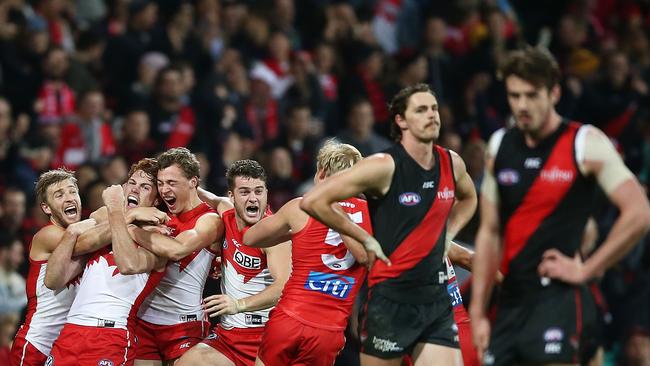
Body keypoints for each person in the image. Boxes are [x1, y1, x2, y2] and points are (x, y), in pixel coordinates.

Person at [468, 47, 650, 366]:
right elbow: (489, 232)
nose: (522, 105)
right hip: (511, 302)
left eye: (531, 95)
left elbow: (640, 213)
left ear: (554, 93)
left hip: (559, 299)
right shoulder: (499, 144)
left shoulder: (585, 143)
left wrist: (587, 269)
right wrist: (478, 310)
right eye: (514, 96)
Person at [301, 83, 478, 365]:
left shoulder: (451, 162)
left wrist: (448, 234)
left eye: (434, 108)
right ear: (401, 120)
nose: (432, 115)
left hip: (435, 302)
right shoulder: (382, 166)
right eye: (421, 110)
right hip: (391, 302)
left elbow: (469, 199)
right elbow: (314, 201)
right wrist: (365, 238)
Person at [242, 140, 375, 366]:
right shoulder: (373, 214)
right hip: (328, 330)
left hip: (289, 318)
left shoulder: (300, 207)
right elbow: (367, 257)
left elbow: (250, 238)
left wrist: (295, 231)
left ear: (321, 173)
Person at [44, 158, 169, 365]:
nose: (135, 190)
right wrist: (74, 230)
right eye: (132, 183)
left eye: (145, 187)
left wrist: (115, 210)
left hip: (110, 335)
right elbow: (53, 279)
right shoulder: (106, 224)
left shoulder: (158, 237)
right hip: (69, 333)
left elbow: (127, 264)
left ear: (156, 201)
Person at [176, 159, 291, 366]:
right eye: (245, 192)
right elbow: (205, 195)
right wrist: (180, 182)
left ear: (266, 193)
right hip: (228, 337)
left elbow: (283, 287)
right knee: (187, 363)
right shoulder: (226, 212)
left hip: (265, 336)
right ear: (232, 196)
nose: (253, 198)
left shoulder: (273, 234)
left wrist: (239, 305)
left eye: (259, 191)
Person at [127, 148, 224, 365]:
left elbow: (176, 250)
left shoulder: (209, 220)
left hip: (183, 324)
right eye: (160, 183)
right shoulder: (158, 213)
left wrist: (130, 227)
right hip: (144, 321)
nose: (164, 190)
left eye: (172, 182)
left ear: (193, 182)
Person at [9, 169, 95, 366]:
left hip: (64, 349)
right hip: (35, 345)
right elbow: (89, 241)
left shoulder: (79, 231)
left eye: (72, 191)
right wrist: (121, 215)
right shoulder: (47, 235)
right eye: (59, 195)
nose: (69, 198)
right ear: (46, 208)